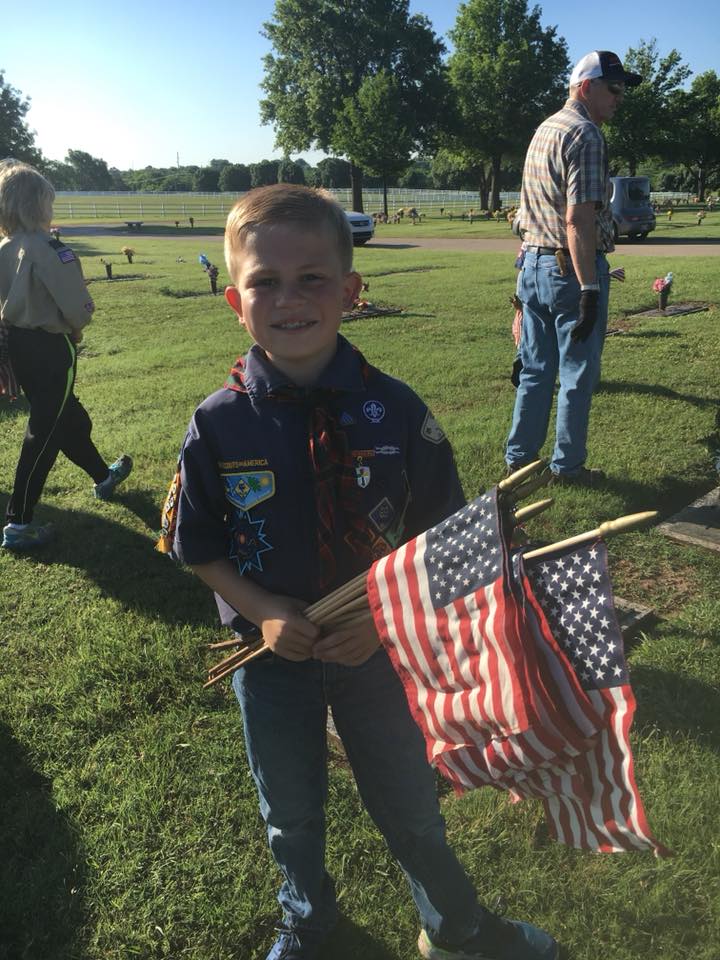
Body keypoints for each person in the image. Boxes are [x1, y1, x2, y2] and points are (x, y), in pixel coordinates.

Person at [165, 183, 559, 960]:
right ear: (233, 303)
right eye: (264, 282)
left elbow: (446, 541)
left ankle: (457, 927)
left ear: (350, 291)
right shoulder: (218, 423)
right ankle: (308, 921)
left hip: (380, 658)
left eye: (312, 278)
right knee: (290, 811)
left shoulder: (399, 412)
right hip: (271, 661)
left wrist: (380, 622)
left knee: (411, 804)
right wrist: (262, 609)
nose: (290, 299)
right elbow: (197, 542)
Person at [505, 51, 642, 485]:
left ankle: (520, 461)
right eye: (614, 88)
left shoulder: (544, 129)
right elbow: (577, 220)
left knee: (534, 370)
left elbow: (525, 212)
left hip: (532, 262)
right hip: (570, 270)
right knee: (577, 374)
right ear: (586, 87)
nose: (619, 98)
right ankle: (567, 468)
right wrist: (589, 289)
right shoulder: (587, 135)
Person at [0, 161, 132, 551]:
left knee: (69, 416)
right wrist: (76, 327)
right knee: (45, 430)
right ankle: (18, 522)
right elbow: (77, 307)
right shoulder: (49, 249)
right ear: (37, 205)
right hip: (52, 348)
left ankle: (102, 477)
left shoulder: (4, 248)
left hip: (20, 348)